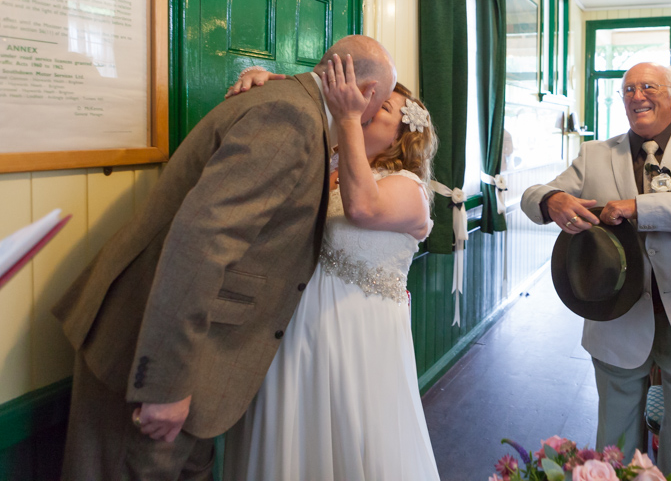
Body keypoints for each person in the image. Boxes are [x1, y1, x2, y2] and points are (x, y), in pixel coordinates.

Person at [51, 35, 397, 480]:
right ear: (367, 92)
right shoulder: (290, 116)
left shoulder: (289, 104)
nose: (372, 117)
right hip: (146, 357)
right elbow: (202, 242)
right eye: (381, 104)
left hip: (200, 361)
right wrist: (165, 384)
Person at [222, 57, 440, 480]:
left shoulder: (409, 190)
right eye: (368, 100)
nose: (369, 108)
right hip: (295, 331)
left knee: (353, 447)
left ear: (404, 135)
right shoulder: (329, 164)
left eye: (384, 109)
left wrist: (347, 119)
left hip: (359, 341)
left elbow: (361, 208)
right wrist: (265, 88)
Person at [521, 62, 671, 477]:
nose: (637, 96)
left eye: (648, 87)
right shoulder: (595, 155)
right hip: (616, 314)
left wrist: (641, 208)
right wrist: (550, 199)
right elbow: (532, 195)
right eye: (628, 90)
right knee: (615, 440)